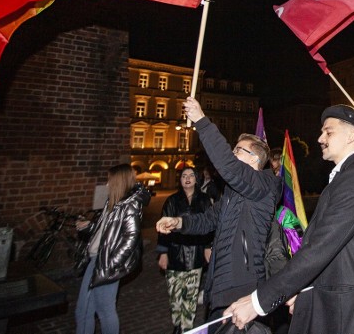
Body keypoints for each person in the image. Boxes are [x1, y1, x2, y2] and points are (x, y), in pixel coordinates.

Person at [227, 104, 354, 333]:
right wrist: (300, 289)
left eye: (328, 131)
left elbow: (320, 249)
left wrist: (259, 301)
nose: (320, 137)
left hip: (349, 314)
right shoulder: (347, 178)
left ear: (351, 135)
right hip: (335, 306)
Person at [156, 97, 281, 323]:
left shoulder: (266, 184)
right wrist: (179, 222)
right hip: (219, 285)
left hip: (243, 285)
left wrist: (202, 121)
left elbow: (228, 166)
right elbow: (206, 221)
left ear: (254, 160)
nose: (233, 153)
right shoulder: (232, 194)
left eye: (238, 150)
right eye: (233, 149)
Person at [74, 163, 150, 334]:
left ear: (119, 182)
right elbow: (108, 232)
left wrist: (110, 264)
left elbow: (130, 239)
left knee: (104, 310)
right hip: (97, 258)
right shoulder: (113, 202)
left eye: (110, 180)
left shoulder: (129, 206)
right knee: (84, 310)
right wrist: (91, 227)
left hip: (105, 263)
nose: (107, 184)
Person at [156, 166, 212, 334]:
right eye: (183, 176)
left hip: (195, 252)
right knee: (175, 295)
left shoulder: (204, 200)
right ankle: (177, 324)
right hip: (175, 252)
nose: (187, 178)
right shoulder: (172, 201)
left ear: (196, 179)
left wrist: (208, 247)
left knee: (191, 296)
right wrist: (163, 252)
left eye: (191, 175)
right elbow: (163, 229)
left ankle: (186, 328)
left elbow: (209, 226)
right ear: (180, 181)